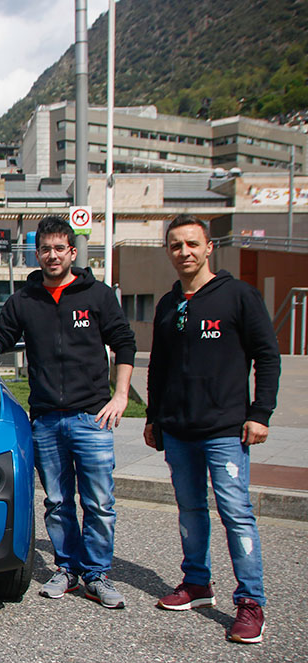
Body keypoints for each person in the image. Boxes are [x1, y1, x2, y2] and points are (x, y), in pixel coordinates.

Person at [0, 216, 136, 609]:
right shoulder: (25, 300)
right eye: (45, 249)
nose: (53, 255)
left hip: (93, 417)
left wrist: (121, 396)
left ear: (73, 253)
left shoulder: (97, 296)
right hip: (45, 418)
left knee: (99, 502)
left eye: (60, 248)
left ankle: (97, 574)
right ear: (37, 253)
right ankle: (66, 569)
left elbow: (124, 344)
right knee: (57, 501)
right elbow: (1, 334)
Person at [144, 214, 280, 644]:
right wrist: (153, 418)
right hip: (178, 431)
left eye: (191, 244)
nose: (183, 252)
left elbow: (268, 356)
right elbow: (160, 367)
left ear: (208, 249)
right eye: (175, 245)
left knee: (236, 515)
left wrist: (261, 413)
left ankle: (250, 603)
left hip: (225, 430)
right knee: (189, 511)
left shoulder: (239, 296)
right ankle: (197, 583)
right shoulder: (169, 304)